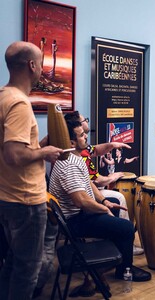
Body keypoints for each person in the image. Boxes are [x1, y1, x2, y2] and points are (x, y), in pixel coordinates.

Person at [49, 119, 151, 283]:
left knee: (115, 208)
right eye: (82, 135)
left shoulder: (76, 156)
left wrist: (104, 202)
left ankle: (109, 264)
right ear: (71, 142)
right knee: (126, 228)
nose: (86, 137)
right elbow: (81, 201)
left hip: (81, 213)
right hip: (74, 220)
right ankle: (125, 270)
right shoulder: (68, 164)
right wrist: (104, 210)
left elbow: (88, 183)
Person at [0, 41, 63, 300]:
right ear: (32, 65)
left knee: (13, 265)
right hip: (25, 201)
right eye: (41, 63)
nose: (42, 69)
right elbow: (14, 154)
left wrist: (42, 145)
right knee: (28, 272)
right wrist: (44, 154)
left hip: (7, 197)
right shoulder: (20, 104)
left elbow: (16, 146)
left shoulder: (3, 96)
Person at [64, 111, 144, 255]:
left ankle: (118, 243)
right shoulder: (74, 157)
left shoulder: (80, 149)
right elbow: (92, 185)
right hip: (78, 215)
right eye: (83, 120)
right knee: (120, 200)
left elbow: (96, 151)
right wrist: (112, 178)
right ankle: (123, 245)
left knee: (113, 200)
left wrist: (112, 145)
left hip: (86, 199)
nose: (86, 122)